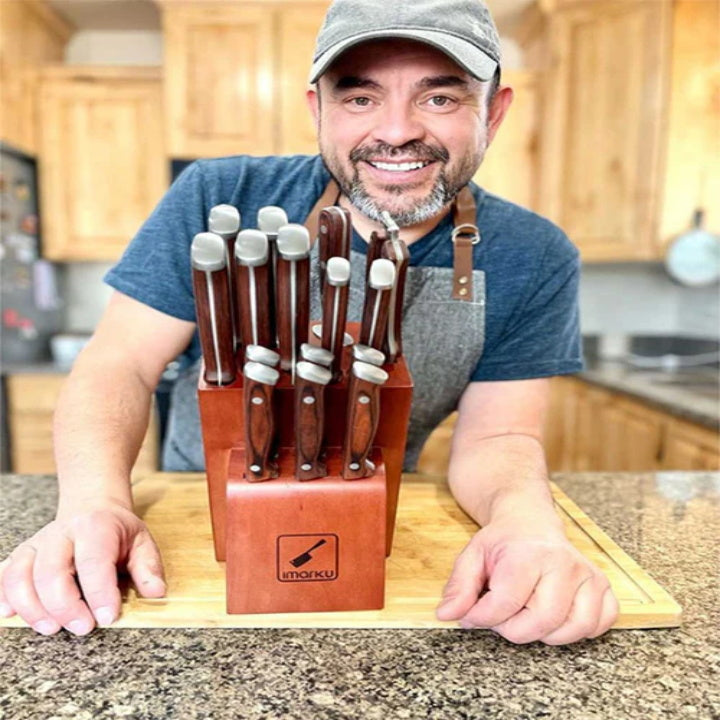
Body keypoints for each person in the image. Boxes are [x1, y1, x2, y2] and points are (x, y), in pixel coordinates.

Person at [0, 0, 618, 643]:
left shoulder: (535, 254)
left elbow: (499, 440)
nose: (397, 130)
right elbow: (119, 365)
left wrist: (527, 527)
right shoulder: (221, 196)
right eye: (360, 99)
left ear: (493, 111)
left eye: (440, 99)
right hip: (192, 523)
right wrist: (95, 502)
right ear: (316, 108)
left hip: (370, 524)